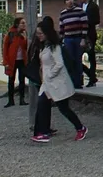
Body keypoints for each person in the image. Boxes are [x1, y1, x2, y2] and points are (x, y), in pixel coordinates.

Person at [32, 15, 86, 143]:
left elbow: (59, 63)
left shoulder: (54, 46)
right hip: (47, 84)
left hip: (57, 82)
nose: (38, 36)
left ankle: (80, 127)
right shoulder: (44, 46)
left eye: (40, 33)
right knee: (42, 104)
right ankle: (43, 132)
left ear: (46, 33)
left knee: (64, 108)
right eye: (37, 34)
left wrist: (50, 75)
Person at [58, 0, 90, 95]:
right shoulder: (63, 13)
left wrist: (83, 39)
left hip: (78, 38)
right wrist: (61, 39)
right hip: (68, 39)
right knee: (69, 61)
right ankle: (71, 82)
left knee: (78, 60)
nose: (70, 1)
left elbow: (85, 25)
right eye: (67, 0)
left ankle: (78, 82)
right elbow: (61, 28)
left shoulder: (80, 11)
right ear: (65, 2)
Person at [2, 16, 28, 107]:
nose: (24, 25)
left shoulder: (24, 33)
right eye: (22, 23)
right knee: (11, 80)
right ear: (17, 24)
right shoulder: (11, 34)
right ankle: (11, 100)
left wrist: (25, 39)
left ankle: (22, 99)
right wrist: (5, 62)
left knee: (22, 80)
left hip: (22, 60)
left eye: (24, 23)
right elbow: (5, 48)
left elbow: (26, 47)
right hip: (12, 61)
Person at [79, 0, 101, 87]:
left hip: (90, 34)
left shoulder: (93, 6)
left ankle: (92, 79)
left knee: (91, 56)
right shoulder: (79, 6)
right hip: (81, 34)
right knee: (77, 57)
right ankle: (88, 76)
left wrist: (87, 21)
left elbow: (97, 20)